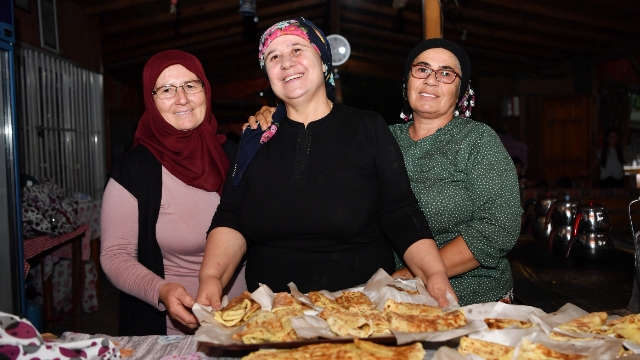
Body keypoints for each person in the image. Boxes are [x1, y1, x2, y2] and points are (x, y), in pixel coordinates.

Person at [195, 18, 455, 310]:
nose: (286, 62)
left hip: (361, 308)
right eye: (274, 56)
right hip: (272, 312)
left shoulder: (368, 127)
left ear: (322, 62)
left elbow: (400, 212)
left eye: (297, 49)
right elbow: (232, 218)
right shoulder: (255, 138)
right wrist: (211, 278)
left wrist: (434, 274)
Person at [249, 38, 522, 306]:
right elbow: (320, 153)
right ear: (407, 82)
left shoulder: (477, 139)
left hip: (473, 299)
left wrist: (411, 274)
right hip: (390, 298)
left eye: (446, 73)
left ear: (462, 90)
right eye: (422, 69)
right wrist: (284, 116)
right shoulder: (378, 136)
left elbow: (498, 227)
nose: (431, 80)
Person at [100, 50, 246, 336]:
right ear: (150, 100)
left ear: (206, 89)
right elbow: (115, 255)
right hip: (174, 330)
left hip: (246, 322)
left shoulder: (238, 156)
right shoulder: (136, 170)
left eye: (191, 85)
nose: (182, 99)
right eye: (166, 89)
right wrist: (161, 290)